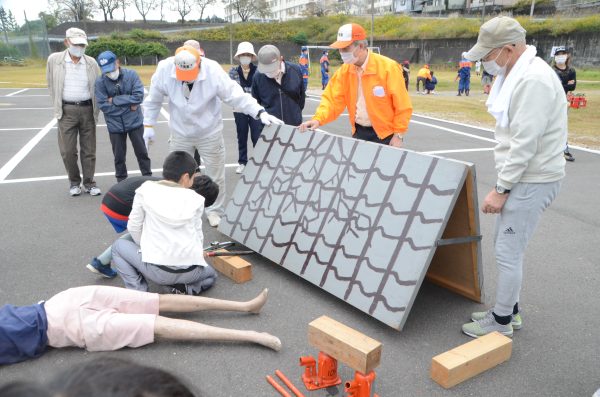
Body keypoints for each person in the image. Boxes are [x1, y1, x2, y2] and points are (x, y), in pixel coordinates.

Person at [460, 16, 567, 338]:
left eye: (489, 55)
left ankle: (502, 321)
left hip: (531, 179)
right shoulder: (520, 73)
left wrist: (501, 189)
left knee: (507, 250)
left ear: (509, 48)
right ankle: (510, 310)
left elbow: (524, 143)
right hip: (529, 176)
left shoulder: (532, 80)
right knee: (507, 246)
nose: (486, 62)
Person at [142, 46, 282, 227]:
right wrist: (148, 125)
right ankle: (179, 210)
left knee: (215, 174)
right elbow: (153, 100)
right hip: (180, 131)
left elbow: (236, 95)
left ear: (199, 62)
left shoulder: (213, 70)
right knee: (175, 174)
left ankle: (214, 210)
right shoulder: (164, 69)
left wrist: (259, 111)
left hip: (209, 132)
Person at [0, 284, 281, 365]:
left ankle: (245, 306)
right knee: (156, 324)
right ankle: (251, 335)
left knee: (157, 300)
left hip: (61, 301)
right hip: (71, 329)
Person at [111, 151, 218, 295]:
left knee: (118, 247)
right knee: (211, 275)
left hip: (159, 272)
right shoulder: (196, 199)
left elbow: (133, 227)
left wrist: (147, 248)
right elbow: (197, 235)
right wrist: (197, 253)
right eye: (193, 177)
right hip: (191, 270)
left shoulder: (144, 191)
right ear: (186, 177)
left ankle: (139, 294)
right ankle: (185, 289)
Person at [299, 23, 412, 148]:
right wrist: (318, 119)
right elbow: (332, 100)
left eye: (346, 48)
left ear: (361, 46)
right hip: (358, 132)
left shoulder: (388, 68)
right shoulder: (345, 71)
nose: (341, 52)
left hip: (386, 136)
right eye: (340, 48)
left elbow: (402, 105)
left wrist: (398, 135)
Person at [86, 174, 218, 279]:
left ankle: (104, 261)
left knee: (145, 228)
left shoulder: (174, 183)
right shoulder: (175, 195)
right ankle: (101, 262)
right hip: (118, 206)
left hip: (112, 199)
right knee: (145, 230)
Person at [46, 28, 101, 197]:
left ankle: (90, 183)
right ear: (66, 42)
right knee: (68, 151)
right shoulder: (54, 60)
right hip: (66, 110)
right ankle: (74, 182)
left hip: (87, 109)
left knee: (89, 150)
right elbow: (51, 83)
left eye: (82, 44)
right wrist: (58, 106)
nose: (79, 47)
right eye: (76, 44)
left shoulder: (91, 62)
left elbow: (98, 86)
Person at [95, 51, 151, 182]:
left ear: (117, 62)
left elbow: (138, 96)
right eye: (106, 71)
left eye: (111, 68)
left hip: (135, 122)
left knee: (142, 153)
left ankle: (148, 178)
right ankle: (121, 181)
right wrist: (128, 106)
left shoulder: (131, 75)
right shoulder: (100, 81)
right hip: (115, 125)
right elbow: (103, 105)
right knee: (119, 157)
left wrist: (113, 100)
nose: (109, 73)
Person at [229, 42, 263, 175]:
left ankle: (258, 162)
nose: (245, 57)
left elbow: (258, 89)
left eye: (248, 55)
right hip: (239, 109)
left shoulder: (259, 71)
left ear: (252, 57)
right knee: (241, 136)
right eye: (243, 55)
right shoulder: (233, 71)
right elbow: (233, 90)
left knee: (257, 136)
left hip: (255, 108)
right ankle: (242, 162)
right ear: (239, 56)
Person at [252, 45, 305, 127]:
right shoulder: (258, 76)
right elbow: (256, 102)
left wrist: (295, 114)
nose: (269, 72)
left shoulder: (295, 70)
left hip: (294, 125)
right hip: (270, 127)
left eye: (272, 67)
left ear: (281, 59)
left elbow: (301, 99)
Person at [552, 46, 576, 162]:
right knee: (550, 125)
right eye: (558, 54)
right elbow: (553, 86)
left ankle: (565, 150)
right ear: (555, 56)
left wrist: (563, 85)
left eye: (563, 53)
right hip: (551, 100)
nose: (561, 56)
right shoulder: (551, 70)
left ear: (567, 56)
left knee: (562, 125)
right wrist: (566, 84)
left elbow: (573, 86)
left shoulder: (571, 71)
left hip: (564, 101)